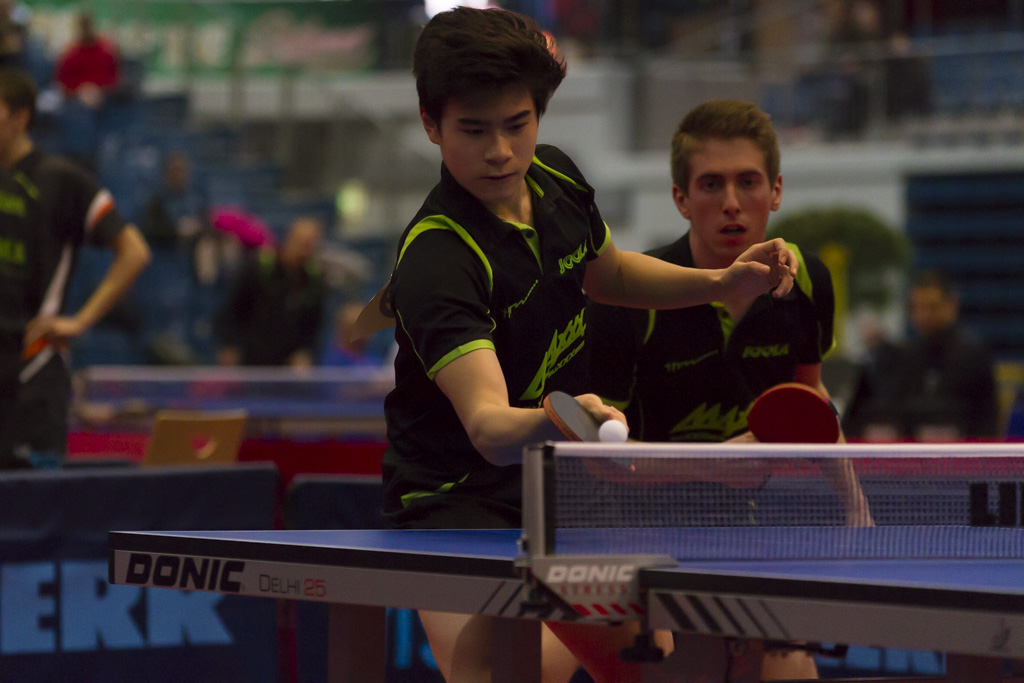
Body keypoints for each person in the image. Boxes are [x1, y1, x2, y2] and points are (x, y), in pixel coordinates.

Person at [382, 10, 797, 683]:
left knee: (650, 665)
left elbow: (612, 275)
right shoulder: (439, 259)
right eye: (474, 130)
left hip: (553, 484)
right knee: (492, 672)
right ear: (432, 124)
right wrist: (565, 417)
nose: (500, 151)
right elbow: (488, 427)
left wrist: (721, 281)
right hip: (455, 499)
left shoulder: (557, 180)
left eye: (516, 125)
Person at [587, 99, 874, 679]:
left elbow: (809, 403)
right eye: (711, 185)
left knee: (794, 674)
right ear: (681, 199)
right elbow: (599, 460)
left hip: (752, 534)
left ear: (776, 191)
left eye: (748, 181)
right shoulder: (634, 299)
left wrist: (856, 508)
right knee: (681, 667)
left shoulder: (809, 284)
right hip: (641, 542)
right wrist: (714, 463)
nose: (732, 202)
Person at [0, 67, 150, 468]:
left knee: (33, 501)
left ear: (20, 118)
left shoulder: (60, 180)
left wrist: (80, 321)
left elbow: (134, 251)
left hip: (34, 374)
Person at [891, 269, 999, 440]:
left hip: (964, 452)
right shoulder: (907, 356)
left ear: (952, 304)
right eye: (917, 307)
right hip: (913, 453)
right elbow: (896, 415)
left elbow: (987, 421)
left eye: (932, 307)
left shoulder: (973, 355)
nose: (924, 316)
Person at [216, 215, 327, 368]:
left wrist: (305, 352)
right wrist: (229, 346)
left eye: (310, 245)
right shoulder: (260, 269)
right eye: (302, 244)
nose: (305, 251)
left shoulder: (314, 281)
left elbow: (312, 326)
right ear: (289, 239)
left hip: (288, 368)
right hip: (253, 361)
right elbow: (231, 312)